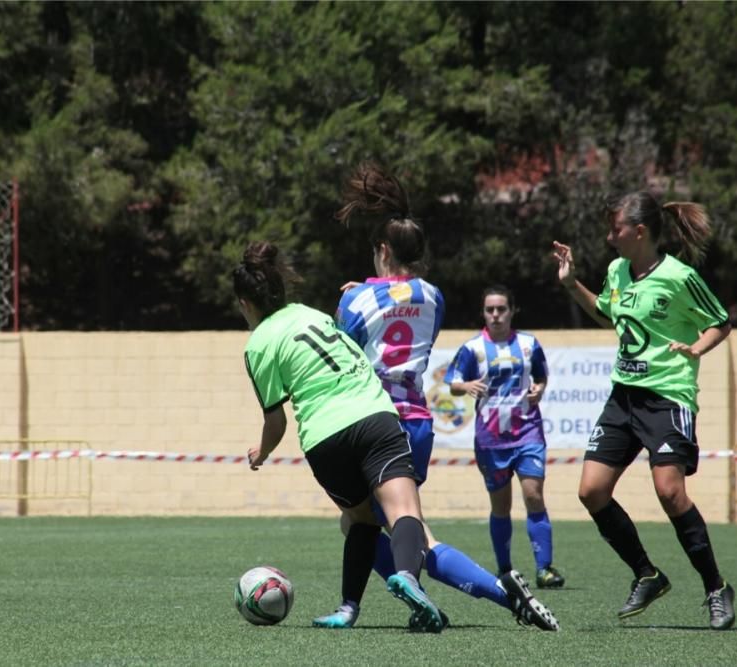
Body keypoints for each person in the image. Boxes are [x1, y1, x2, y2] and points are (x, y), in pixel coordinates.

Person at [237, 240, 557, 633]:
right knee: (406, 517)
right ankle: (430, 583)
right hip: (380, 416)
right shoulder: (312, 313)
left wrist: (262, 451)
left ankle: (350, 608)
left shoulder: (258, 345)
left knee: (359, 520)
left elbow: (276, 421)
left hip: (325, 435)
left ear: (245, 304)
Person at [326, 162, 558, 632]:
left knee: (390, 528)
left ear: (383, 250)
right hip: (417, 419)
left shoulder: (356, 300)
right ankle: (415, 600)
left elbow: (341, 346)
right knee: (380, 524)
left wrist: (350, 298)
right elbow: (402, 306)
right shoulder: (434, 296)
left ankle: (499, 594)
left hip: (374, 421)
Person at [551, 191, 736, 630]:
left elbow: (721, 321)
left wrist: (697, 346)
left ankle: (716, 588)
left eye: (615, 229)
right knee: (591, 492)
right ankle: (647, 574)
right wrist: (570, 282)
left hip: (668, 395)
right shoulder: (618, 270)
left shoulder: (678, 276)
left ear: (639, 231)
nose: (609, 236)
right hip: (624, 395)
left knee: (670, 491)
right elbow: (607, 316)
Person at [445, 285, 565, 589]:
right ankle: (506, 569)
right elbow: (453, 383)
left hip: (528, 433)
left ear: (512, 311)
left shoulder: (528, 344)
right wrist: (468, 385)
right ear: (484, 313)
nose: (495, 315)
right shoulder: (472, 349)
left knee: (533, 495)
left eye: (501, 309)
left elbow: (541, 375)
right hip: (491, 440)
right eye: (490, 310)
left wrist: (539, 389)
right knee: (501, 507)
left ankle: (545, 568)